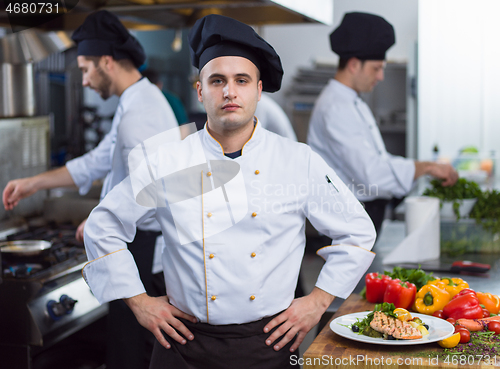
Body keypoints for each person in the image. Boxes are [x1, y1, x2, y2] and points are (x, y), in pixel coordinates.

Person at [81, 14, 376, 369]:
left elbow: (357, 231)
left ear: (258, 89)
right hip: (183, 344)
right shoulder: (169, 160)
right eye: (217, 80)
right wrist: (140, 302)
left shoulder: (298, 161)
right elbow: (103, 226)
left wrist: (316, 302)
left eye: (242, 80)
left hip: (269, 342)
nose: (230, 91)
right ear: (200, 89)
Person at [2, 10, 180, 369]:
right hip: (137, 248)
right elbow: (100, 159)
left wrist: (105, 222)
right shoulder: (136, 101)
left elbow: (154, 191)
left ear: (107, 62)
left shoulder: (138, 115)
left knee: (129, 355)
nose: (83, 80)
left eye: (84, 69)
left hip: (141, 252)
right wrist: (34, 182)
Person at [307, 12, 458, 236]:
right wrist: (425, 167)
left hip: (359, 215)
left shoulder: (352, 101)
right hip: (345, 221)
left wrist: (422, 168)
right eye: (376, 68)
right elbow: (371, 173)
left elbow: (379, 161)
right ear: (354, 65)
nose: (380, 77)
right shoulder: (336, 108)